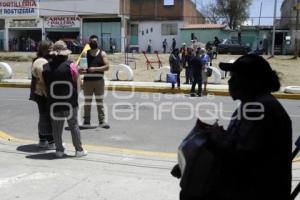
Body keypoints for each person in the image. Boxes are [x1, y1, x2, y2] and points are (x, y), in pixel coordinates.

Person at [200, 54, 291, 200]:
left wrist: (215, 139)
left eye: (235, 77)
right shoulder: (253, 104)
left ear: (251, 81)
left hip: (253, 191)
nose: (230, 81)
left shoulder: (258, 108)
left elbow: (239, 160)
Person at [42, 40, 87, 158]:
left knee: (56, 128)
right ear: (65, 53)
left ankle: (59, 150)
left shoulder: (45, 67)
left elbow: (44, 85)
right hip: (69, 102)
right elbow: (78, 84)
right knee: (74, 125)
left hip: (53, 102)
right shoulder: (71, 65)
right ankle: (79, 150)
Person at [29, 40, 55, 149]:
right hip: (43, 93)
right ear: (45, 49)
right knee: (46, 117)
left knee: (44, 116)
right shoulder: (41, 61)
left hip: (41, 93)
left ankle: (43, 140)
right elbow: (44, 79)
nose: (52, 50)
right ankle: (50, 142)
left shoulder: (42, 59)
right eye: (51, 48)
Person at [81, 35, 110, 128]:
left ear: (98, 42)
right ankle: (86, 121)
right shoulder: (85, 54)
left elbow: (107, 67)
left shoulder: (102, 53)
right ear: (89, 43)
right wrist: (82, 69)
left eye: (95, 41)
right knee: (87, 102)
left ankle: (102, 121)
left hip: (99, 81)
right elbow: (83, 68)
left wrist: (95, 69)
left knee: (100, 101)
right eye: (92, 41)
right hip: (88, 81)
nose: (93, 42)